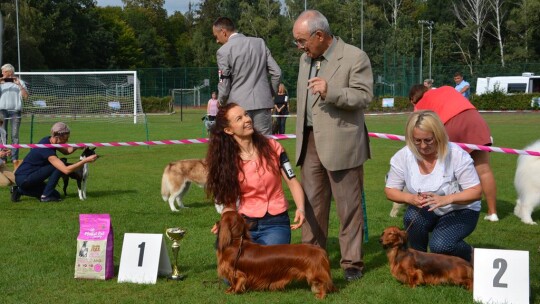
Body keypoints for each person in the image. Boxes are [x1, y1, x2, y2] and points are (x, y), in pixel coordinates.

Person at [292, 10, 372, 282]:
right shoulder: (305, 60)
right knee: (312, 206)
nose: (299, 47)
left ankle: (352, 263)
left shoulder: (354, 56)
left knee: (348, 207)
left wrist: (331, 91)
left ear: (320, 35)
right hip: (309, 141)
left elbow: (364, 96)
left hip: (343, 144)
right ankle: (311, 258)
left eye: (302, 41)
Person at [385, 110, 481, 263]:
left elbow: (476, 192)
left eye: (428, 140)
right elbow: (390, 190)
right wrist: (410, 198)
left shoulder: (457, 155)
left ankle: (473, 255)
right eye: (417, 141)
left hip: (461, 209)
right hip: (428, 209)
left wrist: (446, 199)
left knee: (441, 245)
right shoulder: (402, 156)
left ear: (439, 136)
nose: (422, 146)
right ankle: (419, 262)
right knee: (411, 217)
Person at [206, 103, 305, 245]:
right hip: (244, 223)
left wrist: (301, 208)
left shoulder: (273, 147)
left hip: (276, 223)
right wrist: (225, 222)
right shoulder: (226, 161)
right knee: (228, 255)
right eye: (239, 118)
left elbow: (292, 181)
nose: (247, 119)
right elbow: (230, 203)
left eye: (246, 114)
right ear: (228, 130)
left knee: (265, 263)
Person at [409, 84, 499, 221]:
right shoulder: (447, 88)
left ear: (413, 100)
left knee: (446, 167)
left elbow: (417, 125)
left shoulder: (420, 103)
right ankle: (492, 213)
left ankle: (445, 206)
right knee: (484, 169)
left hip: (450, 124)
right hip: (475, 119)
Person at [212, 17, 282, 135]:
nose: (217, 41)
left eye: (216, 36)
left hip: (238, 108)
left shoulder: (223, 51)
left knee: (241, 149)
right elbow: (277, 72)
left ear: (223, 32)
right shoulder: (259, 43)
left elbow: (225, 82)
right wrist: (269, 93)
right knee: (264, 149)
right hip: (263, 104)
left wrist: (221, 101)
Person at [12, 122, 98, 203]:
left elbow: (67, 151)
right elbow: (66, 170)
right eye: (66, 138)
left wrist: (77, 146)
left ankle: (19, 190)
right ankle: (45, 196)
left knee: (56, 195)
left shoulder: (50, 140)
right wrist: (85, 161)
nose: (67, 141)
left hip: (32, 176)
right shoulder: (47, 150)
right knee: (59, 164)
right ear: (58, 137)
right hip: (24, 178)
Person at [0, 63, 28, 167]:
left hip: (15, 111)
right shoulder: (1, 83)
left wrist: (19, 85)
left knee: (14, 135)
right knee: (2, 135)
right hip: (2, 111)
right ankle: (3, 157)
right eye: (2, 72)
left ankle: (14, 158)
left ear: (10, 72)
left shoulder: (19, 82)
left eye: (4, 71)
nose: (2, 73)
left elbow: (25, 96)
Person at [0, 117, 15, 187]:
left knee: (16, 180)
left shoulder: (2, 131)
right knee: (6, 183)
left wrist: (7, 151)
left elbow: (3, 147)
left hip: (0, 164)